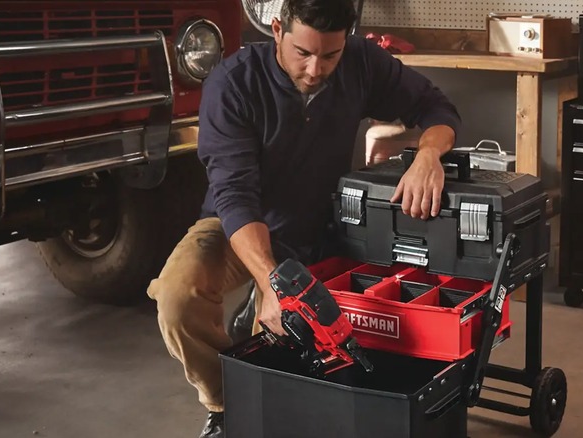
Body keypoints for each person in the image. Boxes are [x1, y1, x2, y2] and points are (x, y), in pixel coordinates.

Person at [146, 1, 461, 437]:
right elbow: (236, 197)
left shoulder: (361, 62)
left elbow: (436, 107)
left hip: (319, 228)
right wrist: (271, 283)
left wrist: (428, 155)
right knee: (177, 298)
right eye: (303, 53)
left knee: (285, 354)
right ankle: (225, 404)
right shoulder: (232, 84)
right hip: (237, 225)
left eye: (330, 55)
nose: (315, 69)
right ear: (277, 30)